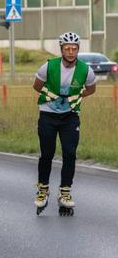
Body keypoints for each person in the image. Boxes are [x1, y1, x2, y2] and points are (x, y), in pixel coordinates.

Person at [32, 32, 96, 216]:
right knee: (47, 154)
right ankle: (43, 189)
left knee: (70, 153)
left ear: (78, 50)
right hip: (48, 115)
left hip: (70, 116)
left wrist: (76, 96)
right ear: (61, 49)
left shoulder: (85, 70)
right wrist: (52, 96)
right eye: (67, 48)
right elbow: (36, 86)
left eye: (74, 48)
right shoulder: (49, 66)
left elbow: (91, 88)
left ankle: (65, 192)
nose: (70, 52)